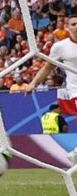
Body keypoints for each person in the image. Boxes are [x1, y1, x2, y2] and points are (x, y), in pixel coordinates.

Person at [24, 16, 77, 164]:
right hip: (74, 90)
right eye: (74, 24)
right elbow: (48, 67)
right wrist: (33, 83)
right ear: (67, 27)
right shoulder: (60, 47)